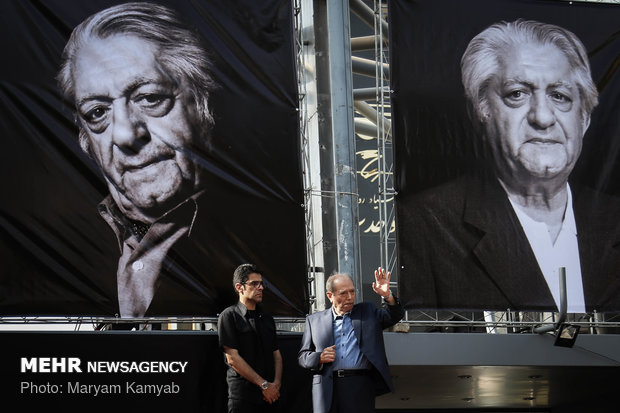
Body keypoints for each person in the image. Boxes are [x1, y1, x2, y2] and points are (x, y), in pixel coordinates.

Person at [398, 19, 620, 312]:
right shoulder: (425, 225)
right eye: (517, 94)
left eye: (560, 96)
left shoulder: (614, 220)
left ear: (584, 118)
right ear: (481, 112)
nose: (542, 117)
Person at [56, 2, 224, 317]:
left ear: (203, 104)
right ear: (84, 139)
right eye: (97, 112)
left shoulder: (265, 239)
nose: (124, 134)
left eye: (149, 98)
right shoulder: (58, 251)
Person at [297, 267, 404, 413]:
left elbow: (394, 316)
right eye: (343, 293)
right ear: (330, 295)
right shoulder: (314, 321)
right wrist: (319, 357)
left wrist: (387, 295)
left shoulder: (367, 312)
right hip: (326, 386)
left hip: (359, 384)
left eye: (352, 291)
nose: (350, 297)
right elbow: (303, 357)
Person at [218, 264, 283, 413]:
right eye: (254, 283)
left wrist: (276, 385)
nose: (260, 287)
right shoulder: (229, 316)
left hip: (271, 397)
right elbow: (232, 358)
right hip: (243, 398)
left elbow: (277, 355)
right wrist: (264, 385)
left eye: (261, 284)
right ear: (239, 287)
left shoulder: (267, 319)